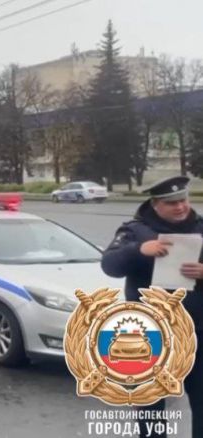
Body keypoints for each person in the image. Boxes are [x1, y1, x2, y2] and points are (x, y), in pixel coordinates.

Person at [101, 175, 203, 438]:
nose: (180, 207)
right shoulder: (135, 230)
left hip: (196, 330)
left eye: (183, 200)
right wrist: (139, 250)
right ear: (156, 204)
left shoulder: (201, 227)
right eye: (172, 203)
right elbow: (109, 265)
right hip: (150, 334)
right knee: (150, 405)